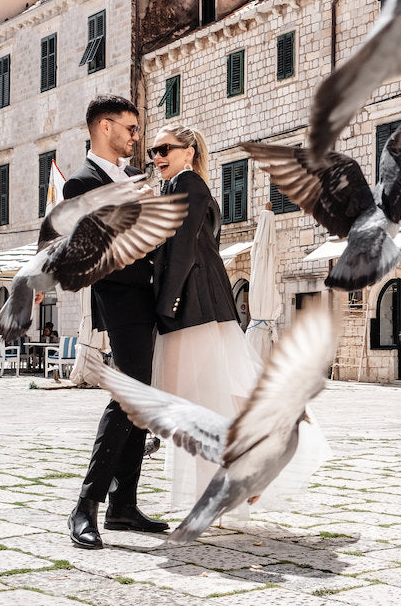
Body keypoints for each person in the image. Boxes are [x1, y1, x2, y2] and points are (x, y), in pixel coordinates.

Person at [67, 93, 167, 548]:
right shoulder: (81, 184)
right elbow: (96, 253)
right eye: (130, 128)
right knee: (128, 394)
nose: (136, 137)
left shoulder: (133, 178)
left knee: (141, 399)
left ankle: (123, 504)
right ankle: (86, 505)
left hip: (148, 297)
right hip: (119, 296)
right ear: (105, 127)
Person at [146, 123, 261, 514]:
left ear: (188, 151)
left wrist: (166, 303)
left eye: (165, 149)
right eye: (153, 152)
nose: (157, 157)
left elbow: (181, 253)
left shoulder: (189, 185)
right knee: (203, 401)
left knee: (197, 402)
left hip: (192, 307)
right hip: (201, 305)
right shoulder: (181, 187)